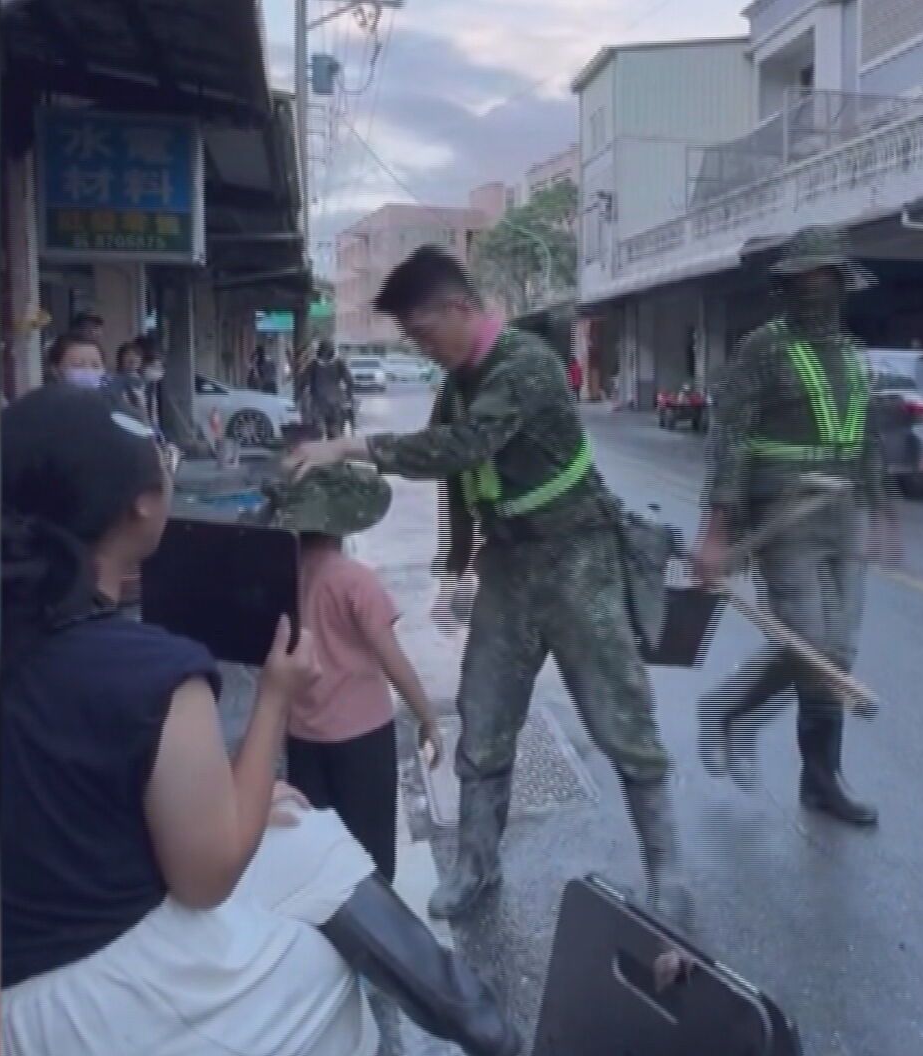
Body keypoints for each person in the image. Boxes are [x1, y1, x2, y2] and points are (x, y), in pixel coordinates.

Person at [0, 386, 519, 1056]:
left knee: (307, 835)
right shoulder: (151, 672)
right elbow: (205, 878)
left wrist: (242, 797)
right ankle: (480, 1037)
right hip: (91, 1006)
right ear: (144, 506)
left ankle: (486, 1029)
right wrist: (274, 697)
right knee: (331, 987)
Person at [285, 245, 692, 923]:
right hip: (511, 564)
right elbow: (459, 481)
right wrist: (459, 568)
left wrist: (350, 445)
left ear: (460, 307)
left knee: (621, 717)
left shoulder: (525, 366)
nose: (423, 348)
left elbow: (460, 448)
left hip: (577, 555)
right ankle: (476, 867)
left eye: (423, 332)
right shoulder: (459, 383)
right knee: (485, 717)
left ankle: (668, 874)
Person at [693, 225, 901, 827]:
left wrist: (880, 508)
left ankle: (813, 773)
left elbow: (864, 437)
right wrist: (718, 528)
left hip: (844, 515)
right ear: (785, 286)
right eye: (801, 278)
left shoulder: (853, 356)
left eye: (823, 276)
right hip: (783, 512)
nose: (813, 288)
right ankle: (799, 759)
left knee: (837, 650)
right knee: (811, 644)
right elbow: (729, 437)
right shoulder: (762, 348)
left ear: (841, 282)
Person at [268, 461, 443, 885]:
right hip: (363, 741)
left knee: (319, 852)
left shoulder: (283, 577)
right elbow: (392, 659)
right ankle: (380, 936)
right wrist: (428, 718)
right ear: (342, 524)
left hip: (303, 737)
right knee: (372, 850)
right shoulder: (353, 581)